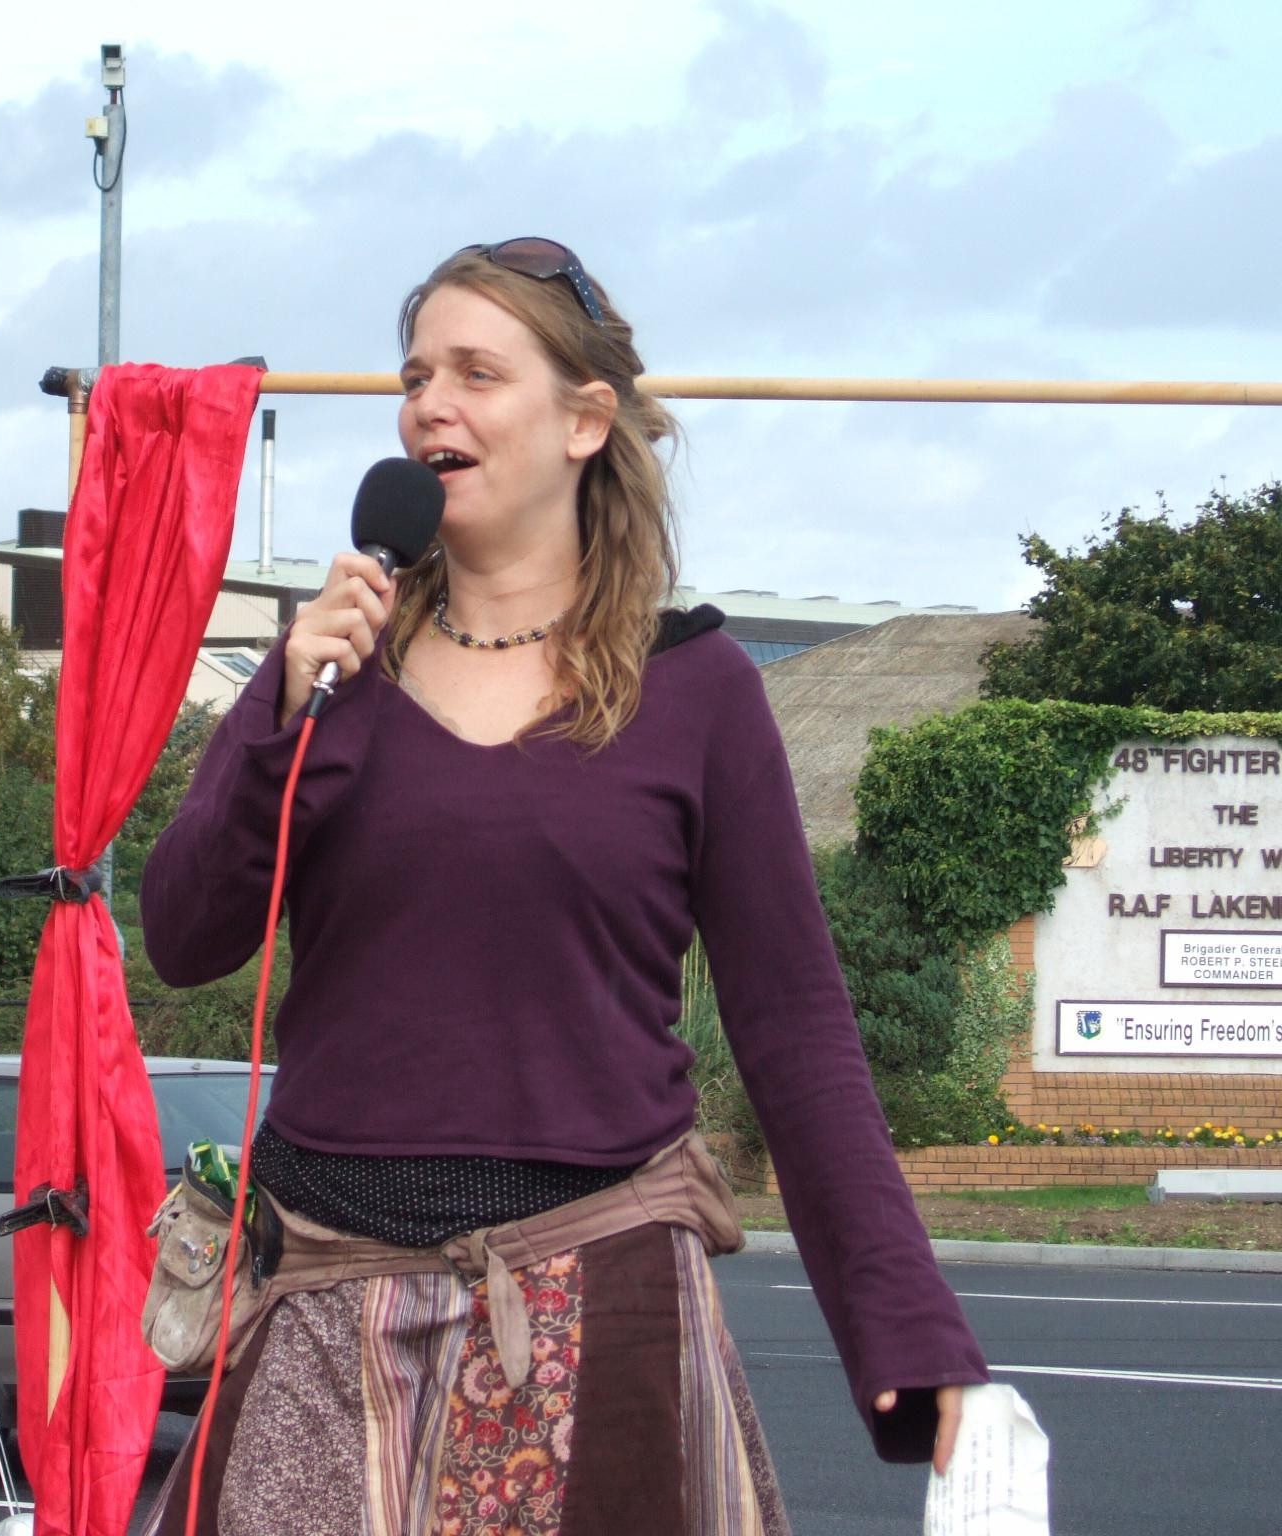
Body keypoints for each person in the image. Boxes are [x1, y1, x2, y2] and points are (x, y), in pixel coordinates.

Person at [138, 238, 990, 1535]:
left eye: (479, 372)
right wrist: (277, 709)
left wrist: (912, 1339)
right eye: (417, 373)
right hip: (324, 1307)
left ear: (586, 420)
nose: (432, 403)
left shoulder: (699, 693)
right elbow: (186, 935)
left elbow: (796, 1031)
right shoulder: (331, 668)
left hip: (602, 1309)